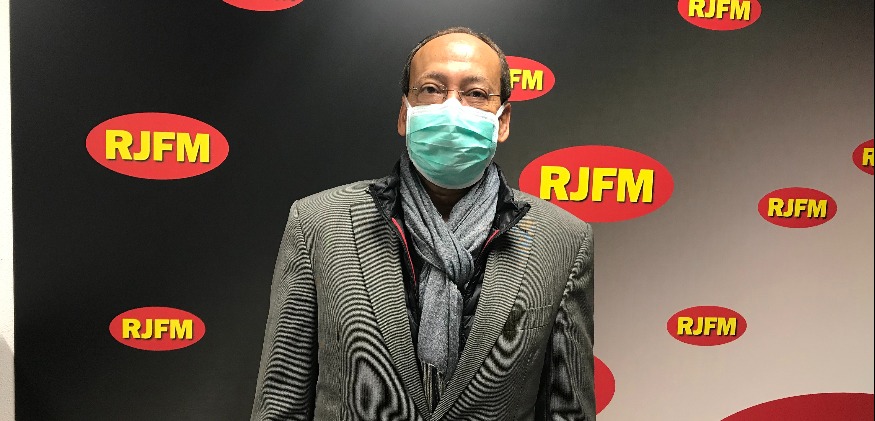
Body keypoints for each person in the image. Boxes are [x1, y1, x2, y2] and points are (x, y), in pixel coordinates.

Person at [251, 27, 595, 421]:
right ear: (404, 113)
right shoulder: (318, 222)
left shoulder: (563, 239)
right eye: (431, 89)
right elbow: (280, 402)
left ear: (503, 121)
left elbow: (569, 410)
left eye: (476, 93)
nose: (452, 108)